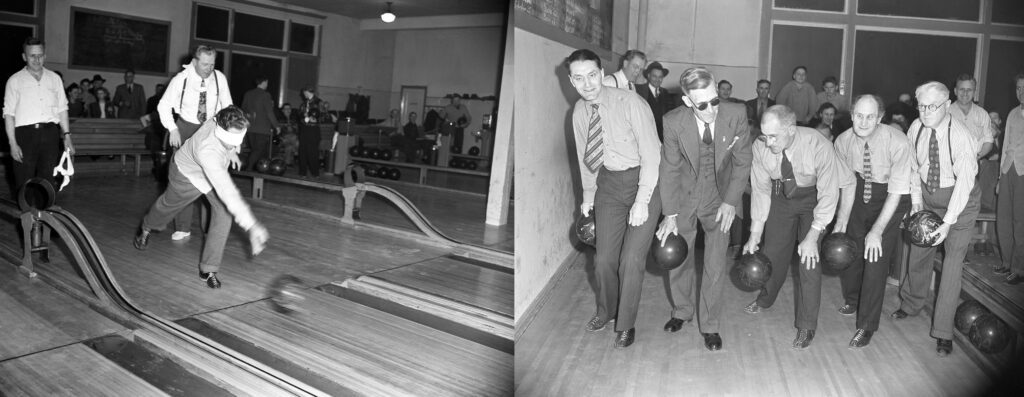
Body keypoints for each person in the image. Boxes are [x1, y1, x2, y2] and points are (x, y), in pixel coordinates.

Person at [566, 48, 661, 348]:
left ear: (602, 74)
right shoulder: (579, 112)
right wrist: (587, 196)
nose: (587, 84)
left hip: (644, 181)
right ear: (571, 81)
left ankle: (626, 323)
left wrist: (642, 201)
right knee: (604, 260)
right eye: (579, 78)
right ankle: (607, 311)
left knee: (631, 259)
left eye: (592, 75)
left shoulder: (631, 103)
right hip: (608, 185)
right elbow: (587, 160)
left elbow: (652, 156)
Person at [656, 67, 752, 351]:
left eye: (715, 100)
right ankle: (682, 311)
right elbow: (670, 169)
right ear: (688, 102)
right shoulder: (673, 122)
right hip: (685, 197)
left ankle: (710, 325)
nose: (711, 109)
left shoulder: (736, 114)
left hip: (719, 198)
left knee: (715, 263)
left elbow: (743, 162)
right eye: (702, 104)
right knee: (678, 258)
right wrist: (670, 214)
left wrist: (730, 202)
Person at [742, 104, 847, 350]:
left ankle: (807, 325)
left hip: (813, 199)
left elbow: (829, 193)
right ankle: (766, 299)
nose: (767, 142)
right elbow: (760, 190)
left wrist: (813, 234)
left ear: (791, 129)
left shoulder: (818, 144)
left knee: (809, 260)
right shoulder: (759, 146)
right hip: (781, 197)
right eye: (764, 135)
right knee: (772, 253)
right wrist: (755, 233)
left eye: (773, 136)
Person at [133, 106, 269, 289]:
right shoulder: (208, 150)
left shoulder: (222, 118)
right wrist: (252, 226)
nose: (234, 144)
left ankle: (208, 269)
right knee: (167, 206)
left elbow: (230, 137)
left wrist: (231, 151)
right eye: (231, 141)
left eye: (238, 140)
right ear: (219, 129)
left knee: (224, 212)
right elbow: (228, 191)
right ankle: (147, 227)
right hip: (186, 175)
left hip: (210, 172)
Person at [893, 81, 980, 357]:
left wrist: (948, 223)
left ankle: (943, 332)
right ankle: (910, 304)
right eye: (921, 105)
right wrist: (917, 204)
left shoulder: (961, 136)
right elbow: (914, 167)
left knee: (952, 263)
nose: (925, 111)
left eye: (932, 106)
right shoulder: (916, 128)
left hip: (960, 202)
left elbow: (965, 184)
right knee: (918, 251)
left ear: (946, 105)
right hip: (930, 195)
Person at [831, 94, 913, 348]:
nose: (863, 122)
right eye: (859, 115)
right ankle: (854, 299)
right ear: (852, 115)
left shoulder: (898, 142)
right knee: (851, 252)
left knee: (875, 257)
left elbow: (897, 191)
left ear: (879, 118)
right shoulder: (843, 141)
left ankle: (866, 325)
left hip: (890, 196)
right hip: (857, 192)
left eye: (870, 117)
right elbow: (846, 183)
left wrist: (877, 230)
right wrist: (841, 221)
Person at [157, 45, 234, 241]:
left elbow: (228, 108)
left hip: (210, 130)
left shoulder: (219, 78)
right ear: (195, 61)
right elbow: (163, 106)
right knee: (184, 181)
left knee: (212, 180)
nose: (209, 68)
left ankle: (210, 229)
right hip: (185, 128)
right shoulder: (181, 79)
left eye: (212, 64)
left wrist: (229, 140)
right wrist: (172, 128)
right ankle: (183, 227)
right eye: (205, 64)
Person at [3, 37, 74, 194]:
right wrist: (13, 144)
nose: (36, 59)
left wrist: (67, 135)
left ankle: (45, 215)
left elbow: (62, 108)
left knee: (48, 179)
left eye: (40, 55)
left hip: (50, 133)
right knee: (23, 179)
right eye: (32, 56)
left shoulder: (55, 79)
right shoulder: (14, 81)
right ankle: (26, 216)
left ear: (45, 56)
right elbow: (8, 114)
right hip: (25, 135)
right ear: (24, 57)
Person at [996, 73, 1024, 284]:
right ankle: (1007, 263)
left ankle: (1019, 268)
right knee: (1004, 219)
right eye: (1018, 88)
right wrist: (1000, 177)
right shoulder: (1013, 113)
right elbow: (1005, 145)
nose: (1021, 92)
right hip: (1008, 171)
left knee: (1020, 221)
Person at [949, 74, 995, 159]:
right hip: (949, 165)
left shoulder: (983, 114)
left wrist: (976, 157)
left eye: (969, 90)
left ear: (974, 92)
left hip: (974, 164)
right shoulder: (946, 113)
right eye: (961, 89)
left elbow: (988, 141)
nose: (965, 93)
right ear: (955, 91)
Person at [240, 76, 280, 171]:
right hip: (262, 128)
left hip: (250, 127)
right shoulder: (265, 95)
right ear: (264, 82)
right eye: (267, 82)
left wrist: (248, 116)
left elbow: (243, 109)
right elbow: (269, 112)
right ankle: (249, 169)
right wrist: (277, 126)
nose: (267, 84)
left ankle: (256, 170)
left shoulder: (248, 94)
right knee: (258, 150)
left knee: (255, 150)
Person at [634, 62, 673, 141]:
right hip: (643, 135)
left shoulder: (665, 92)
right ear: (648, 76)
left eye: (660, 77)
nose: (657, 80)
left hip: (661, 136)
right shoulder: (638, 90)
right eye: (654, 76)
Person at [297, 87, 322, 178]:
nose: (303, 95)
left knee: (313, 152)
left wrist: (313, 119)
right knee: (302, 150)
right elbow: (299, 115)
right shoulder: (304, 104)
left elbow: (322, 116)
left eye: (304, 93)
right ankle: (302, 172)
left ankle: (315, 172)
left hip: (313, 130)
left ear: (308, 92)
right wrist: (303, 118)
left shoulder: (319, 102)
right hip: (304, 129)